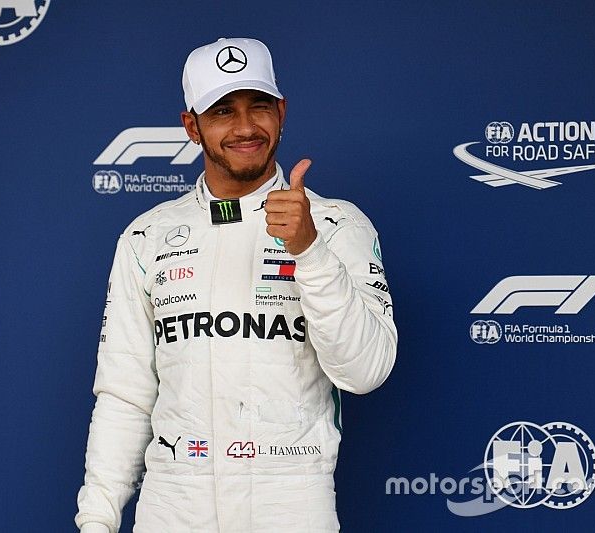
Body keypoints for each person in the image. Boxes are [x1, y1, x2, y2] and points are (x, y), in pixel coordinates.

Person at [75, 37, 397, 533]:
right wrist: (96, 521)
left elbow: (366, 370)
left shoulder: (337, 225)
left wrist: (309, 251)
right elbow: (125, 394)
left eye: (259, 107)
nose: (246, 127)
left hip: (291, 504)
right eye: (223, 111)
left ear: (282, 112)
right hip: (172, 507)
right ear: (192, 126)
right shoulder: (146, 236)